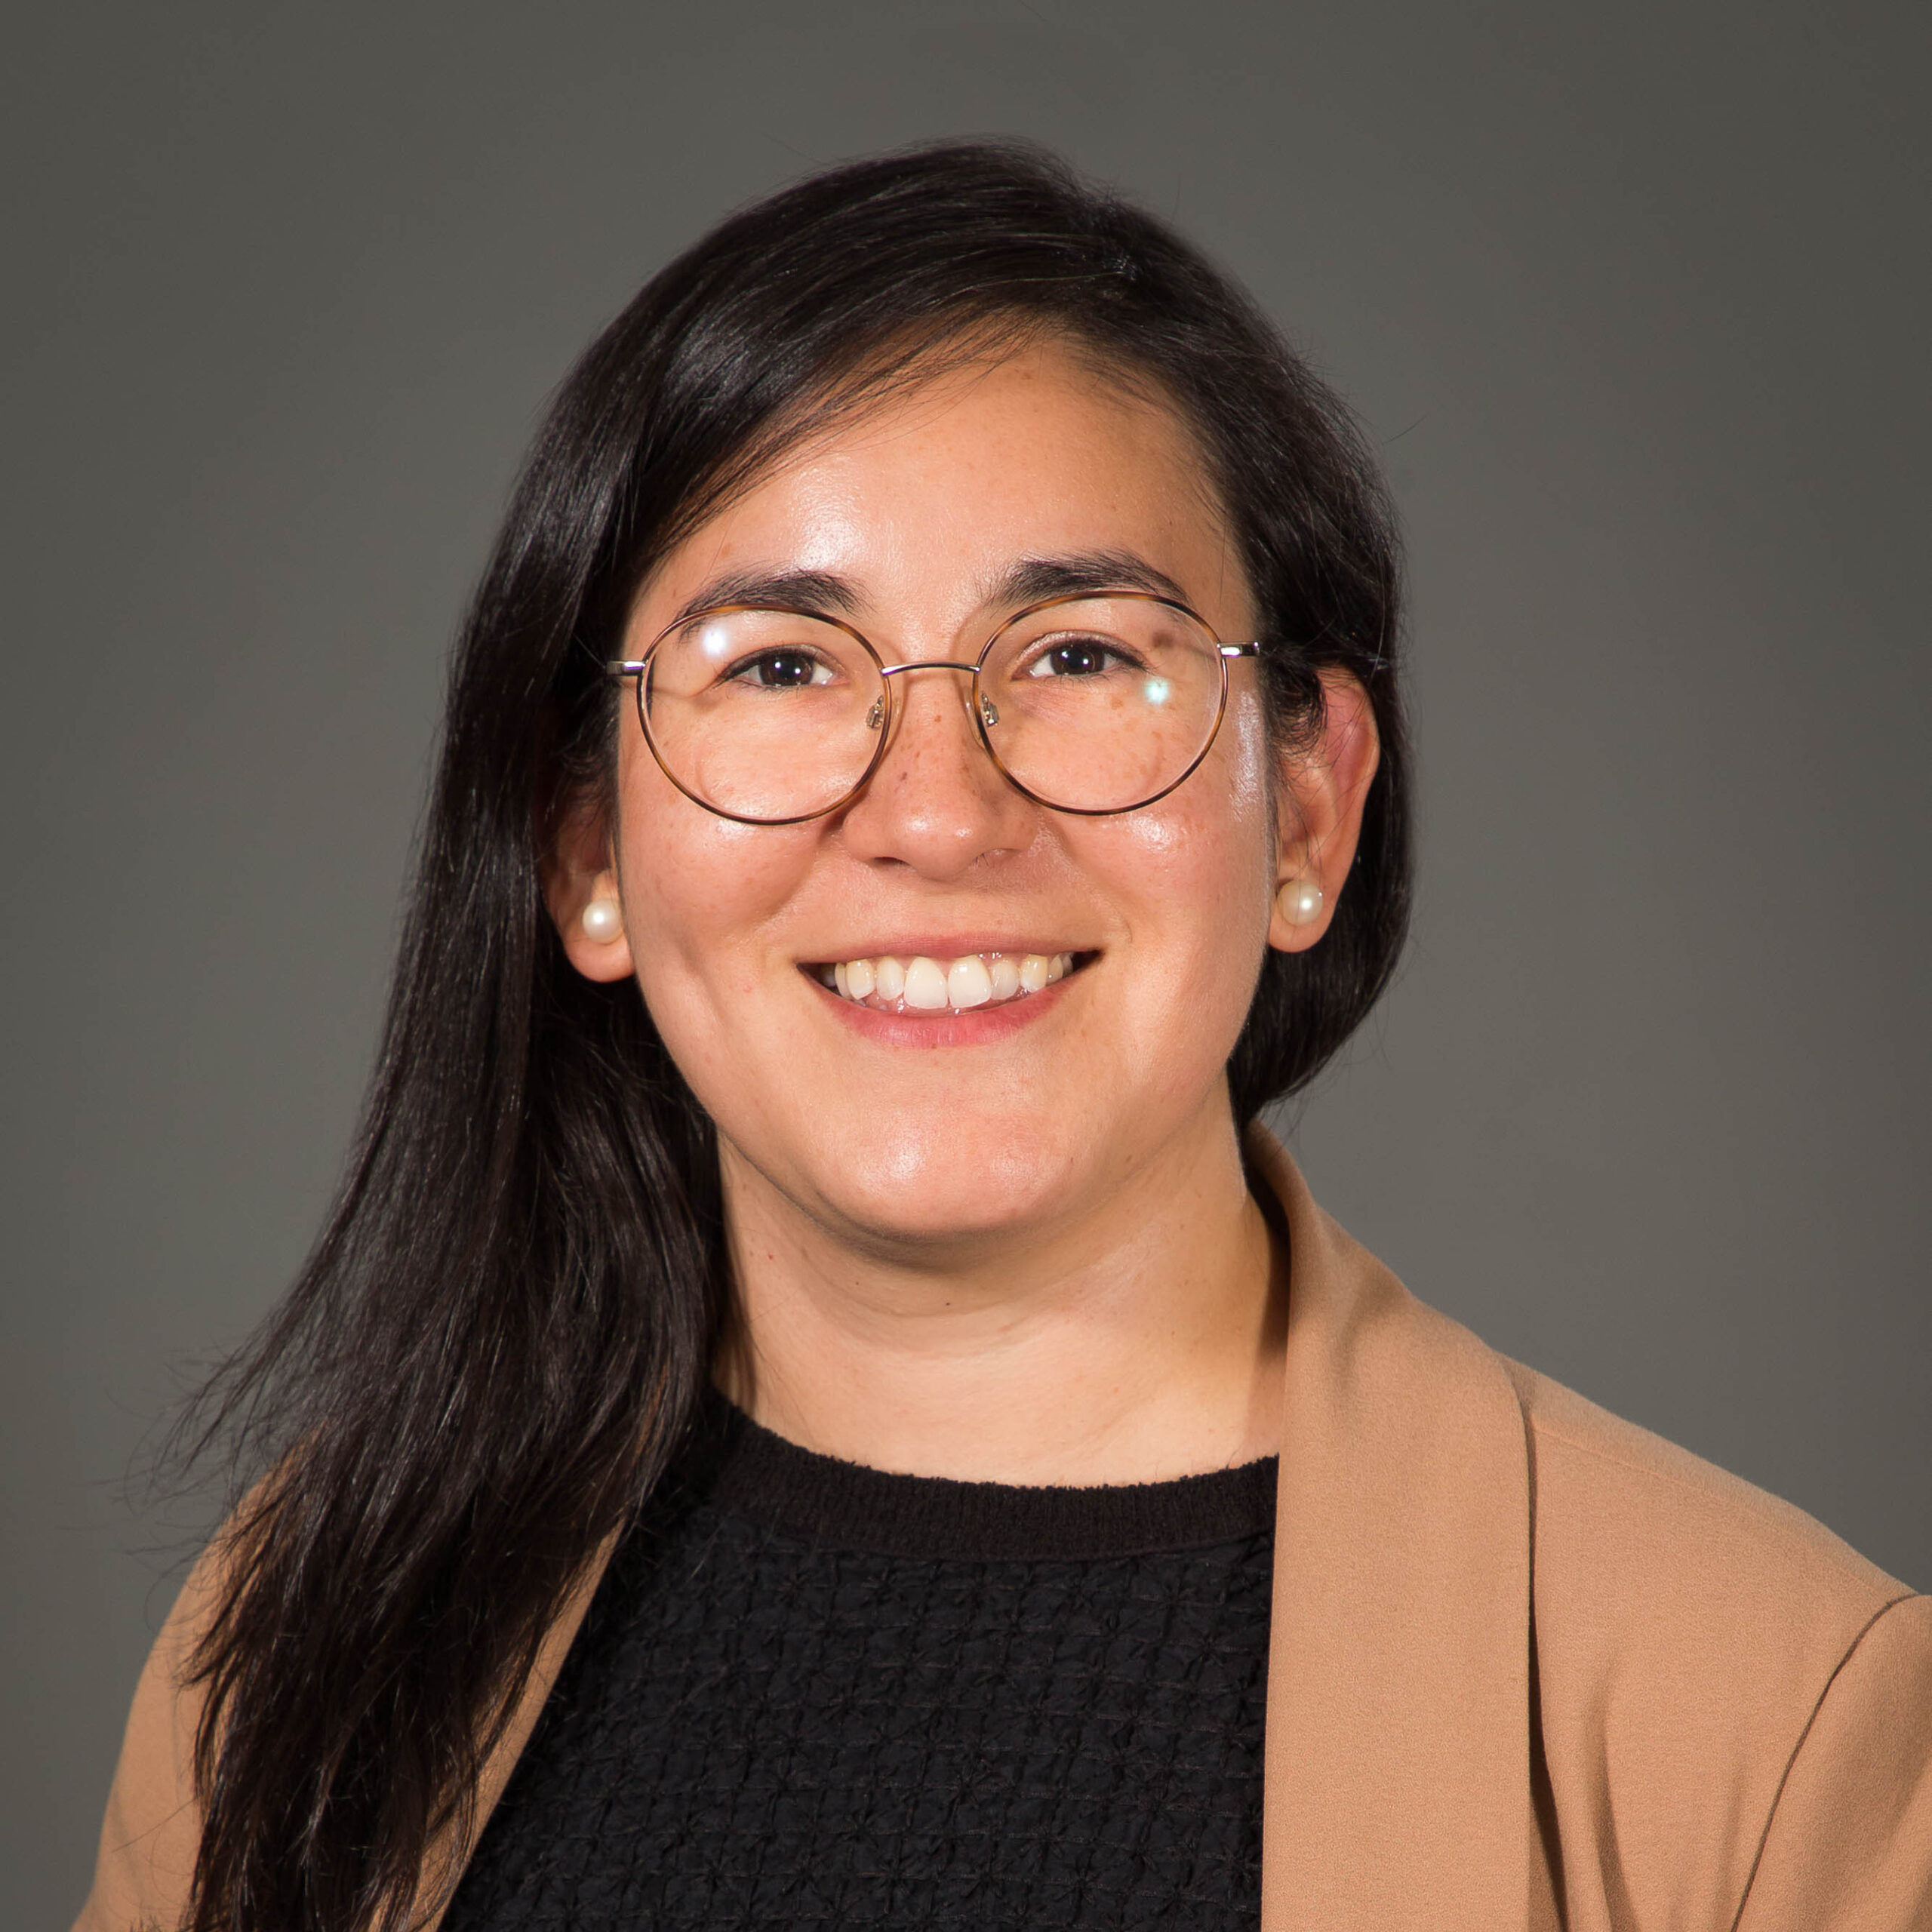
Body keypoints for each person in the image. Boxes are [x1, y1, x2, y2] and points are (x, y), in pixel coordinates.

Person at [76, 141, 1930, 1932]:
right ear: (586, 855)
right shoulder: (312, 1624)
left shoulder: (1779, 1735)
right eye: (781, 667)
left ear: (1304, 812)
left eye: (1079, 654)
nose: (937, 816)